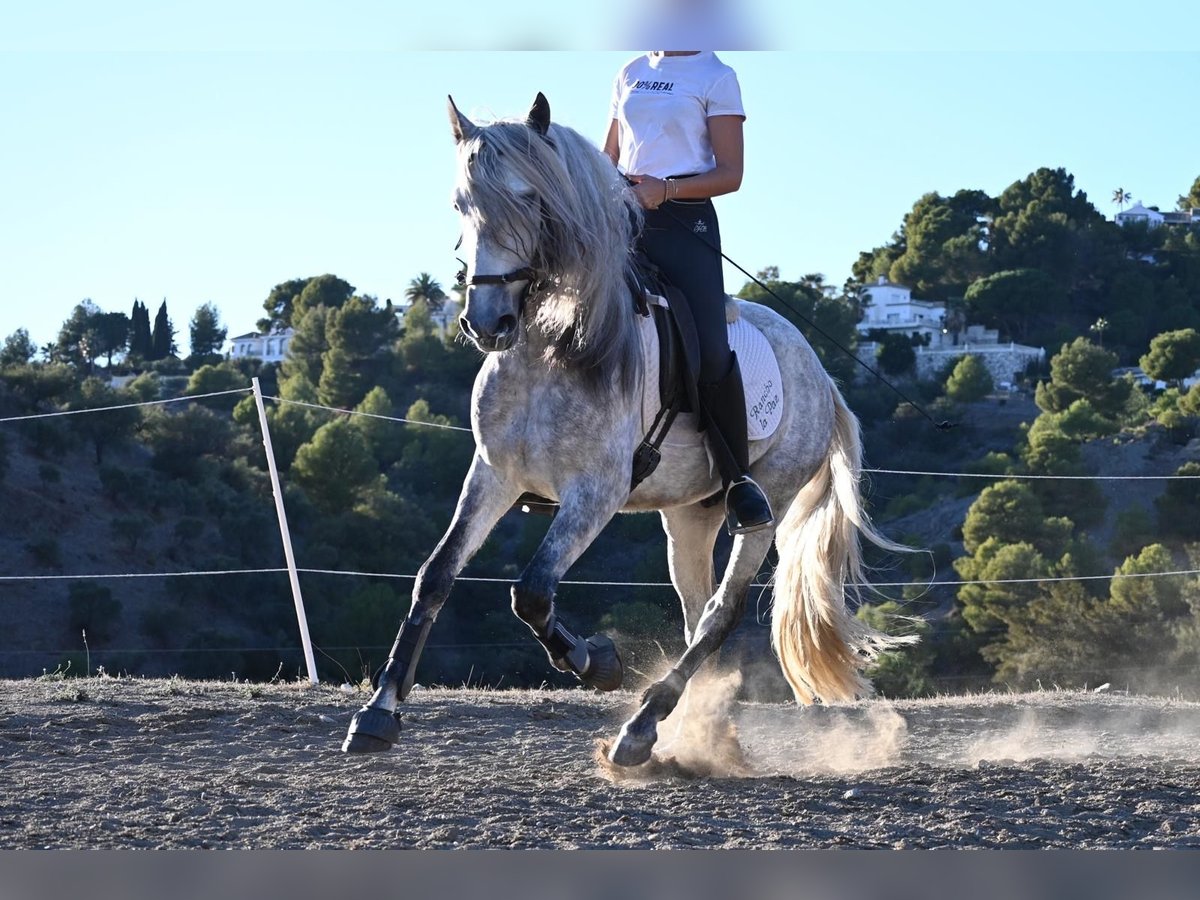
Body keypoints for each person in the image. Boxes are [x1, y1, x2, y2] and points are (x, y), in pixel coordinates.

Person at [604, 50, 773, 535]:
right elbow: (608, 156)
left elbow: (730, 174)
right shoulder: (630, 72)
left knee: (710, 349)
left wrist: (667, 190)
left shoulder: (716, 76)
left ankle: (737, 479)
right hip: (623, 223)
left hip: (685, 223)